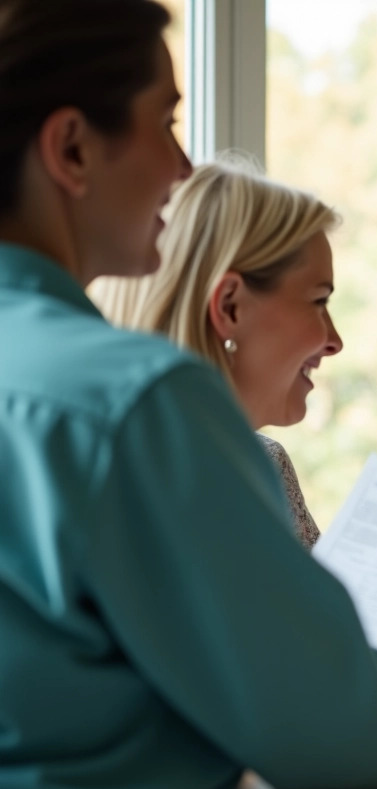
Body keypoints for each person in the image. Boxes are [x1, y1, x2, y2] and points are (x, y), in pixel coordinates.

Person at [0, 2, 377, 789]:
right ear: (71, 148)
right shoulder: (134, 405)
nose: (182, 169)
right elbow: (338, 732)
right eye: (165, 124)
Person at [92, 160, 343, 546]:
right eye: (318, 301)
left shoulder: (266, 465)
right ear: (229, 307)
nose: (334, 341)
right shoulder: (111, 488)